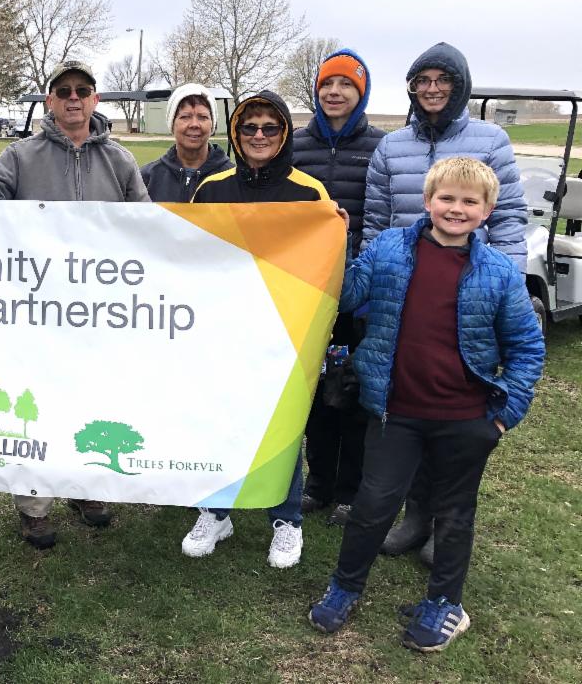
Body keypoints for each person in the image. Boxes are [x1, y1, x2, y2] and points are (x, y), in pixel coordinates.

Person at [308, 157, 542, 652]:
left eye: (469, 201)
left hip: (465, 419)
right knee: (373, 505)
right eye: (447, 198)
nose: (456, 209)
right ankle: (345, 585)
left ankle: (444, 603)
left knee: (454, 515)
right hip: (395, 413)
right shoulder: (389, 248)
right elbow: (345, 296)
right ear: (428, 200)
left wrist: (503, 417)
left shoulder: (499, 272)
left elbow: (527, 348)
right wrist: (334, 243)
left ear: (487, 210)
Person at [0, 59, 150, 549]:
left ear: (95, 99)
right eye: (64, 91)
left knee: (92, 397)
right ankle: (34, 506)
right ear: (50, 101)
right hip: (36, 309)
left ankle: (87, 488)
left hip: (102, 310)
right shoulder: (22, 154)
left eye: (83, 90)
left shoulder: (121, 161)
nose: (73, 98)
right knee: (34, 404)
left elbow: (147, 225)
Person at [363, 42, 528, 564]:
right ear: (412, 88)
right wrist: (372, 291)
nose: (432, 89)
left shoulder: (491, 140)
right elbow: (376, 220)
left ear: (460, 85)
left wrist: (504, 285)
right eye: (423, 80)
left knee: (456, 409)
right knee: (411, 402)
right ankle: (416, 516)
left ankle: (445, 520)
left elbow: (510, 217)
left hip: (469, 291)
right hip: (403, 292)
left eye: (443, 79)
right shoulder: (391, 147)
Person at [185, 90, 337, 569]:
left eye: (270, 127)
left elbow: (328, 267)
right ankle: (216, 511)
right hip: (223, 330)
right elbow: (187, 254)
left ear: (284, 133)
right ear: (235, 132)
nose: (258, 135)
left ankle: (287, 519)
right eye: (249, 127)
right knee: (220, 419)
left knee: (282, 426)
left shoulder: (309, 193)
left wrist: (335, 229)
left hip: (284, 333)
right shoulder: (212, 189)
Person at [291, 50, 384, 526]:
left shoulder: (380, 146)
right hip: (305, 292)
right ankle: (319, 483)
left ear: (361, 93)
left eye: (346, 84)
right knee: (314, 393)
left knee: (354, 391)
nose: (335, 92)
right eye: (328, 83)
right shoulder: (295, 144)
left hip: (356, 292)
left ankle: (351, 490)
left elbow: (379, 215)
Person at [139, 83, 233, 201]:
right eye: (185, 117)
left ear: (212, 125)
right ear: (172, 124)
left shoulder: (233, 178)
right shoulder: (146, 178)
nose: (194, 124)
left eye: (202, 117)